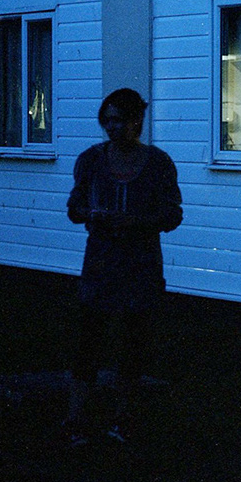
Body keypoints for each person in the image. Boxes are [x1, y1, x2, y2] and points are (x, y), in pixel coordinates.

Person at [65, 88, 183, 443]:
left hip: (140, 264)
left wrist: (138, 222)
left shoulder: (158, 164)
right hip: (100, 263)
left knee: (133, 343)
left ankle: (122, 419)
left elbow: (173, 214)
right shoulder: (91, 160)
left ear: (137, 121)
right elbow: (73, 208)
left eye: (119, 120)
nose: (112, 127)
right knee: (89, 340)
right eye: (108, 121)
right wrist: (92, 214)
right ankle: (76, 420)